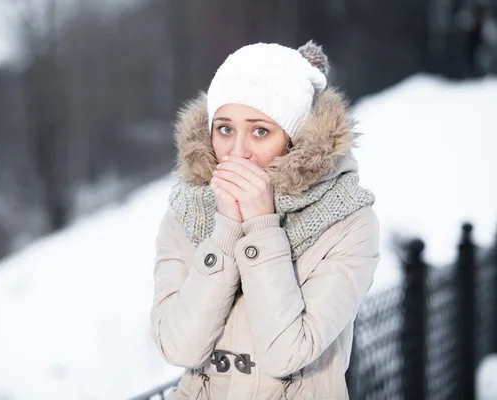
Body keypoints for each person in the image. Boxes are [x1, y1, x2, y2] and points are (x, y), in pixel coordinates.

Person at [150, 41, 379, 399]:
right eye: (225, 129)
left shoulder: (348, 222)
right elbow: (178, 347)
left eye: (260, 131)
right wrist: (226, 229)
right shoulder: (186, 212)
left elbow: (287, 352)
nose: (237, 152)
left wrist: (261, 225)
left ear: (296, 139)